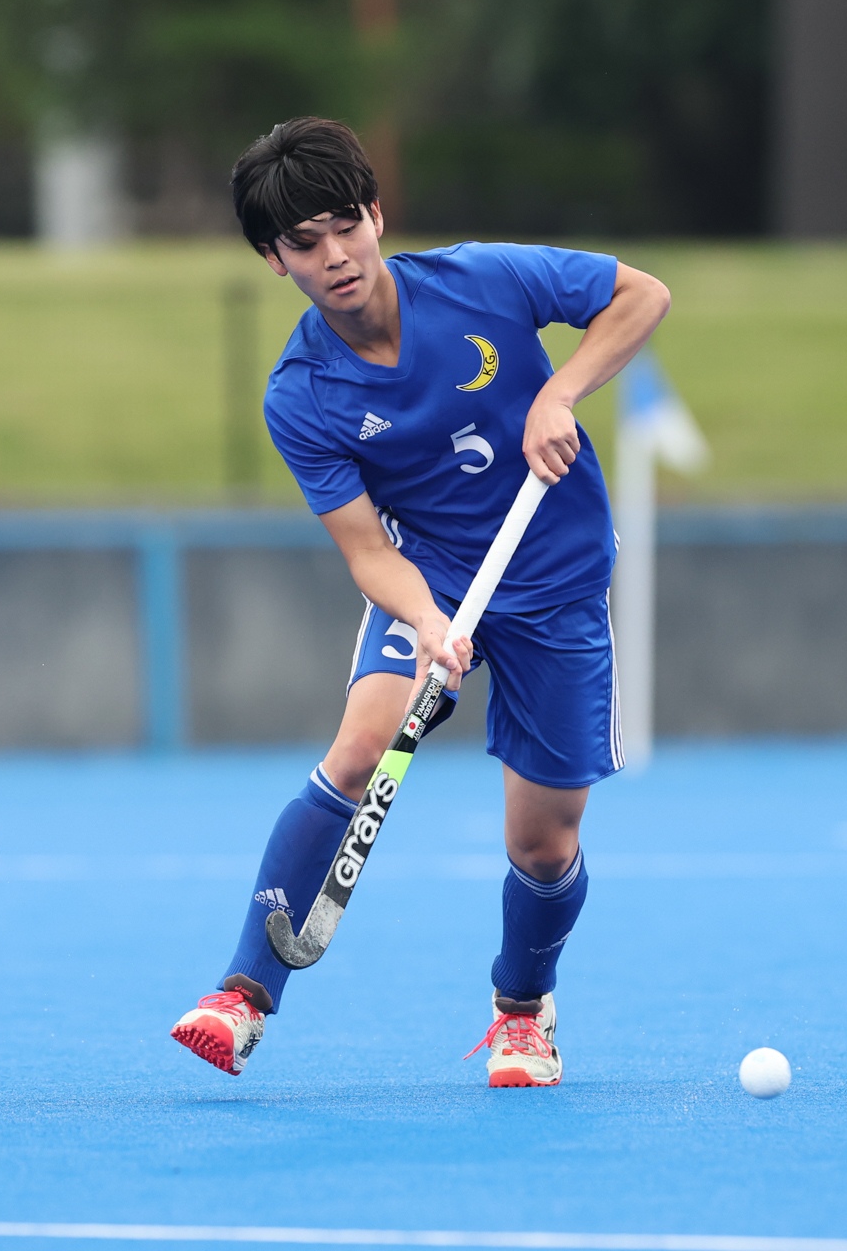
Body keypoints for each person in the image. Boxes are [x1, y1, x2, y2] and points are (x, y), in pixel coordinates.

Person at [169, 118, 670, 1086]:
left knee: (544, 841)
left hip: (558, 581)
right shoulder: (302, 393)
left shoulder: (484, 280)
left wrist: (560, 393)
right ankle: (243, 992)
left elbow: (641, 294)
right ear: (274, 260)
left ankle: (522, 1010)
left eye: (344, 226)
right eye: (304, 243)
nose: (335, 256)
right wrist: (432, 621)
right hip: (431, 578)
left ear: (376, 214)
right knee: (361, 747)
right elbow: (367, 549)